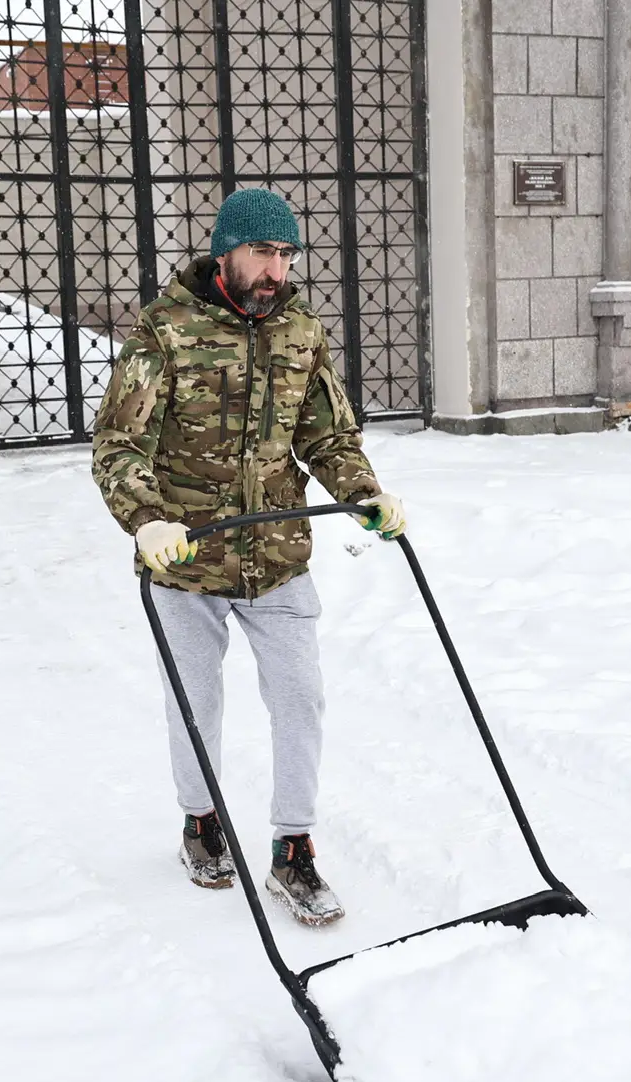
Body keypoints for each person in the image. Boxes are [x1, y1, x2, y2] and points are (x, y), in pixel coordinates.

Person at [91, 188, 406, 926]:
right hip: (185, 561)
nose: (276, 269)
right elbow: (119, 444)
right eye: (263, 253)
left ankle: (293, 846)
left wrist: (365, 492)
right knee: (196, 702)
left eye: (286, 254)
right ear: (225, 252)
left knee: (301, 699)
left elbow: (328, 436)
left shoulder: (301, 332)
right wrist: (146, 520)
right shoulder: (164, 330)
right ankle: (200, 821)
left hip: (277, 557)